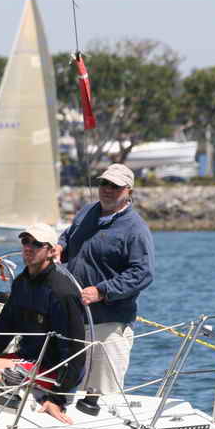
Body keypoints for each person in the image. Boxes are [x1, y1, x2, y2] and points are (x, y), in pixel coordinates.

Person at [0, 224, 85, 425]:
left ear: (50, 251)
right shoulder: (22, 282)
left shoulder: (62, 292)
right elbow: (5, 326)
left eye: (37, 244)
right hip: (26, 358)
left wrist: (58, 398)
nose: (29, 247)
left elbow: (76, 351)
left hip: (52, 368)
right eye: (25, 241)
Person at [55, 163, 154, 395]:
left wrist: (102, 291)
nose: (107, 190)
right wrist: (60, 247)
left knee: (100, 395)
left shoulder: (136, 229)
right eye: (104, 184)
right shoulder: (87, 212)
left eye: (115, 186)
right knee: (65, 389)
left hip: (109, 325)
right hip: (74, 320)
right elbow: (69, 235)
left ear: (128, 191)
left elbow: (143, 272)